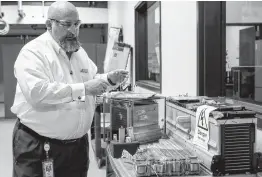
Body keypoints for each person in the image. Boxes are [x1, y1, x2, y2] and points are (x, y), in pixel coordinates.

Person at [11, 1, 128, 177]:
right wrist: (84, 88)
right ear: (49, 25)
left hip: (77, 148)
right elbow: (37, 93)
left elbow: (91, 80)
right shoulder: (33, 52)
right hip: (39, 146)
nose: (73, 30)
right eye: (67, 24)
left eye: (77, 24)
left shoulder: (79, 53)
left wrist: (109, 79)